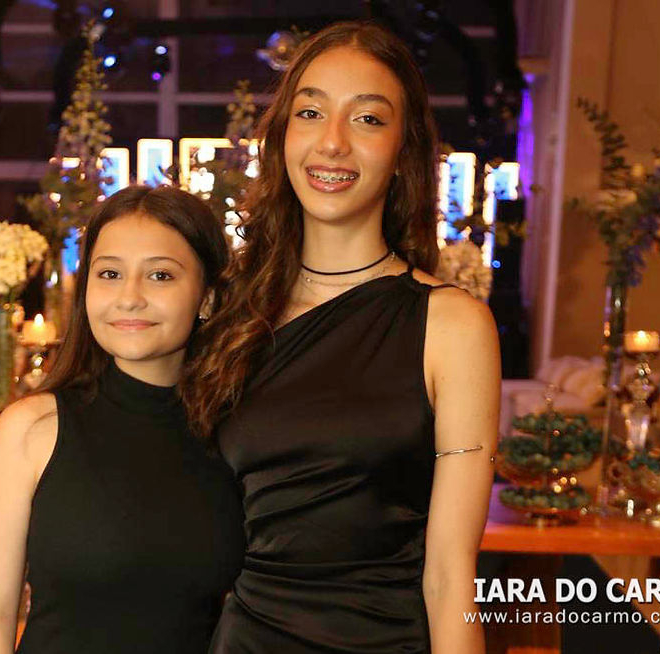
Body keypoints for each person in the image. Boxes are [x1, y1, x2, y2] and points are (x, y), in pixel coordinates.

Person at [184, 21, 501, 654]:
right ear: (282, 136)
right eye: (310, 112)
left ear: (404, 150)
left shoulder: (452, 325)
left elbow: (450, 578)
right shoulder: (229, 311)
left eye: (367, 119)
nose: (332, 142)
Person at [0, 185, 244, 654]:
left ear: (207, 299)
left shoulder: (238, 433)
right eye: (110, 274)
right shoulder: (32, 428)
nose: (129, 298)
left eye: (160, 275)